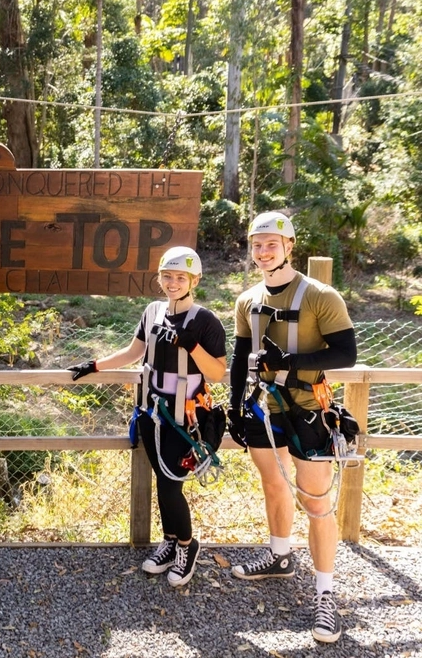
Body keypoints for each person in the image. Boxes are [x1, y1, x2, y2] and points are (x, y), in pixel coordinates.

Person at [227, 211, 357, 644]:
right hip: (266, 409)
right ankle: (280, 556)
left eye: (271, 244)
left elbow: (346, 354)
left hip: (307, 409)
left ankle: (325, 594)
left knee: (316, 502)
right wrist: (234, 407)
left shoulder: (321, 295)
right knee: (273, 486)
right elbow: (239, 356)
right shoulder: (248, 300)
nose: (263, 253)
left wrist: (292, 364)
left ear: (289, 246)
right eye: (256, 245)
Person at [68, 246, 227, 588]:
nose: (172, 283)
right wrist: (94, 365)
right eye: (166, 276)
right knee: (161, 480)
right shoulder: (153, 311)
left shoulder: (205, 321)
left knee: (171, 485)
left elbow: (216, 372)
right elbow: (134, 352)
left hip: (184, 417)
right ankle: (170, 540)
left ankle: (187, 546)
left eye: (180, 277)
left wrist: (193, 346)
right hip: (151, 410)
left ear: (194, 280)